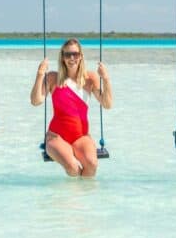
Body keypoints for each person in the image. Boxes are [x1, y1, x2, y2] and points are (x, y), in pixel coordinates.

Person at [30, 38, 113, 178]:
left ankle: (82, 198)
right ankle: (72, 198)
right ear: (62, 57)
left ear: (81, 56)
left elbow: (107, 104)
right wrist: (39, 74)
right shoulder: (52, 78)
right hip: (56, 137)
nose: (72, 58)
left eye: (75, 54)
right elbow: (35, 101)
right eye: (67, 54)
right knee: (73, 168)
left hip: (81, 137)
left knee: (92, 165)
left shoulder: (90, 78)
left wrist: (106, 78)